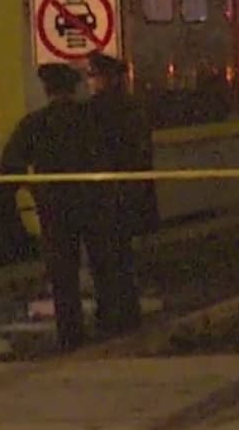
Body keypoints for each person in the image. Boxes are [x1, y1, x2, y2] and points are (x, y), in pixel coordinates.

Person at [0, 63, 112, 350]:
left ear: (47, 90)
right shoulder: (92, 119)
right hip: (92, 201)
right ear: (73, 88)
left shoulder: (35, 123)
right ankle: (111, 321)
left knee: (63, 273)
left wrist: (31, 187)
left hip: (54, 205)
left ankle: (70, 332)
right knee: (104, 263)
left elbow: (9, 163)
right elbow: (111, 155)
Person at [84, 51, 149, 335]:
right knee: (123, 258)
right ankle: (129, 314)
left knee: (104, 260)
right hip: (127, 195)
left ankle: (110, 317)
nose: (90, 81)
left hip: (102, 196)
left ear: (105, 79)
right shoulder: (132, 108)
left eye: (93, 76)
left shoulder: (94, 111)